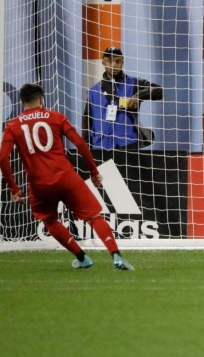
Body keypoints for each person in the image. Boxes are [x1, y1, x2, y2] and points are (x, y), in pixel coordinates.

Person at [0, 83, 134, 270]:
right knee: (94, 216)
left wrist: (14, 188)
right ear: (41, 99)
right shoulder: (56, 117)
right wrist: (94, 172)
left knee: (49, 220)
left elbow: (3, 157)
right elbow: (80, 144)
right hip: (66, 177)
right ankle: (116, 256)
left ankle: (82, 258)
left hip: (39, 184)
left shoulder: (13, 125)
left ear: (22, 103)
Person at [83, 46, 163, 150]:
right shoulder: (93, 91)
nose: (113, 65)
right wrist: (87, 148)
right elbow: (87, 122)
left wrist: (139, 95)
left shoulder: (134, 83)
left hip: (128, 144)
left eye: (118, 61)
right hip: (101, 147)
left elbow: (158, 91)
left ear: (122, 63)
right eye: (109, 61)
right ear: (103, 62)